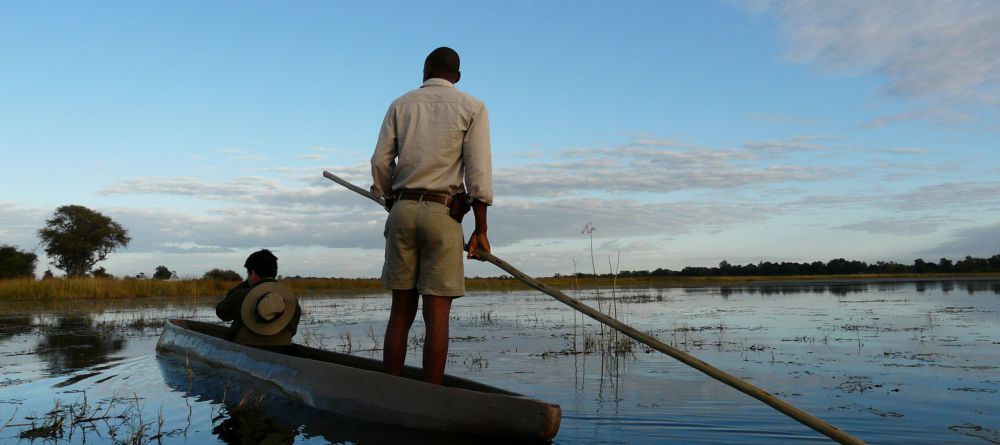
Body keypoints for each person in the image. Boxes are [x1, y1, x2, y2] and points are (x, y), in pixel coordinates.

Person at [370, 47, 492, 384]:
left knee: (401, 311)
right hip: (442, 214)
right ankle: (431, 397)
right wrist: (480, 230)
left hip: (403, 210)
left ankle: (390, 389)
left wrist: (389, 197)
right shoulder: (473, 107)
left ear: (425, 70)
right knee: (437, 316)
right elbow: (478, 175)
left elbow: (381, 163)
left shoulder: (401, 104)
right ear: (458, 75)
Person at [216, 249, 301, 347]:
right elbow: (293, 330)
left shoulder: (241, 295)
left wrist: (245, 284)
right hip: (283, 348)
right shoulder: (292, 300)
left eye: (248, 274)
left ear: (253, 274)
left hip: (246, 348)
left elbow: (221, 311)